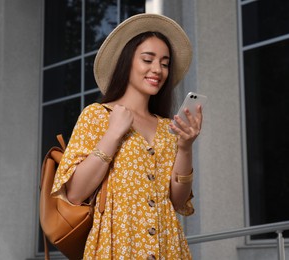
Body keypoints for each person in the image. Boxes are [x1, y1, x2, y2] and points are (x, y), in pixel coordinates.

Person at [51, 13, 203, 259]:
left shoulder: (168, 128)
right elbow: (75, 193)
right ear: (126, 62)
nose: (158, 69)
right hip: (117, 246)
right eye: (148, 59)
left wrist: (185, 147)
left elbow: (177, 201)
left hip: (168, 247)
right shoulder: (97, 116)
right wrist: (113, 134)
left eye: (164, 63)